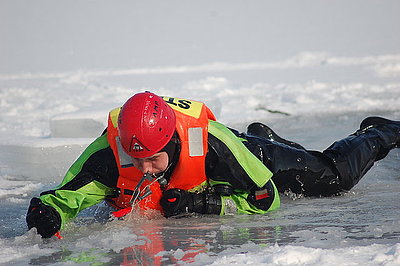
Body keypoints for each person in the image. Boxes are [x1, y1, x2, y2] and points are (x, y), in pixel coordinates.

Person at [26, 91, 400, 238]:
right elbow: (62, 198)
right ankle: (268, 135)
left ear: (171, 141)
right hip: (223, 159)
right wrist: (45, 213)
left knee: (335, 178)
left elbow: (266, 199)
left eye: (153, 160)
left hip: (246, 154)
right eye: (134, 160)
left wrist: (202, 205)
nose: (144, 170)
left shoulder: (212, 146)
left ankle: (380, 131)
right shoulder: (110, 155)